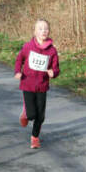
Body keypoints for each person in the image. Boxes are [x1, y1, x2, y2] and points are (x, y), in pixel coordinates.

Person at [14, 19, 60, 149]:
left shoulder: (52, 51)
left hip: (42, 86)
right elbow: (19, 59)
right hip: (27, 84)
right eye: (40, 28)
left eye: (46, 28)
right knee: (32, 114)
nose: (43, 31)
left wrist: (53, 73)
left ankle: (35, 137)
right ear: (35, 32)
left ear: (49, 31)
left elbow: (56, 68)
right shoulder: (28, 46)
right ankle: (25, 113)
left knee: (41, 116)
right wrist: (18, 71)